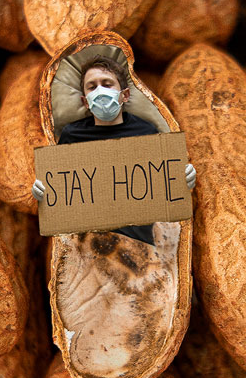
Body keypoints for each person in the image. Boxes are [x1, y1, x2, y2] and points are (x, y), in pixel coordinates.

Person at [32, 55, 196, 245]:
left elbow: (163, 189)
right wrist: (42, 194)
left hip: (140, 244)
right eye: (92, 86)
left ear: (124, 95)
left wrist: (182, 182)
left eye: (107, 84)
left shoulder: (146, 132)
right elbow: (62, 194)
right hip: (89, 245)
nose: (100, 91)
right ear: (85, 101)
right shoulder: (72, 135)